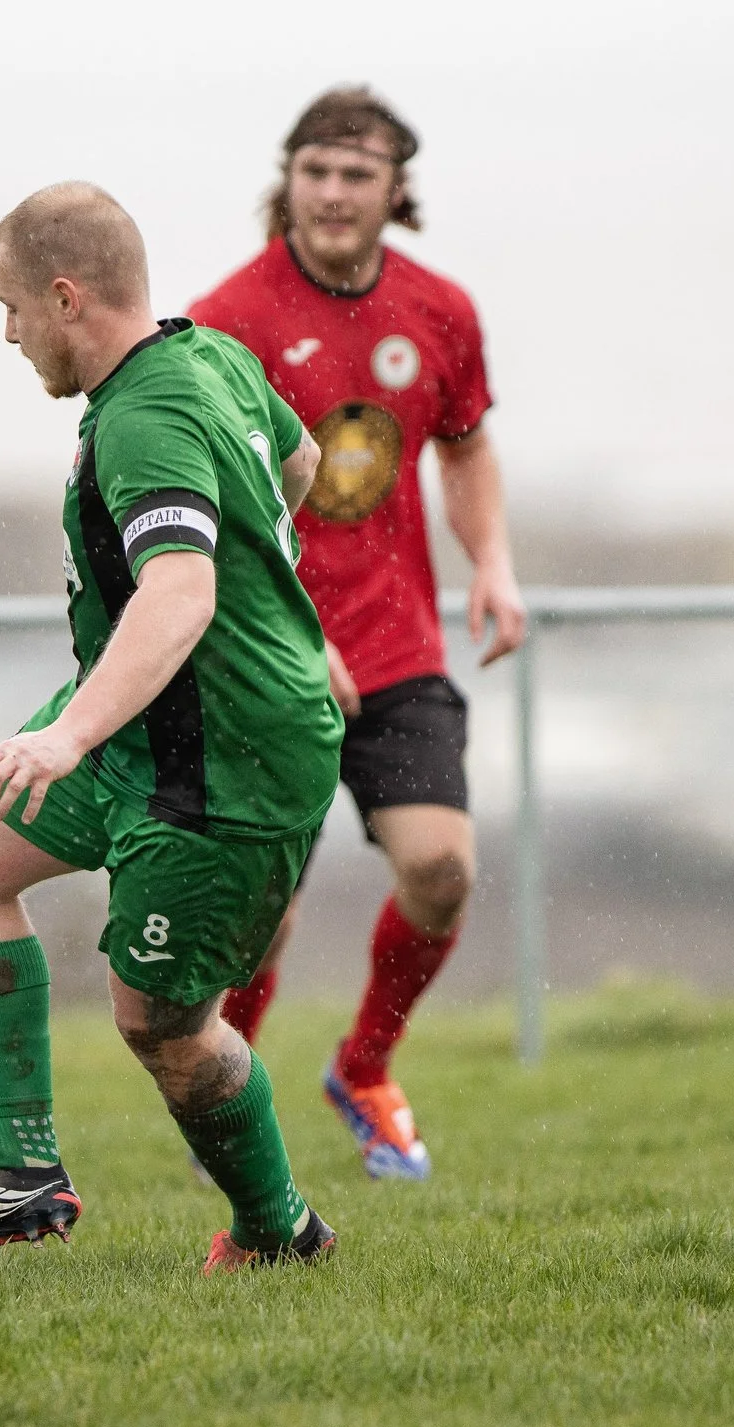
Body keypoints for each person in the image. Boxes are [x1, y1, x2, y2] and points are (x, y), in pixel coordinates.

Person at [0, 181, 342, 1274]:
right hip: (148, 722)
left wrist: (68, 736)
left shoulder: (141, 417)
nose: (6, 332)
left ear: (66, 295)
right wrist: (275, 609)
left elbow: (178, 593)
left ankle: (281, 1234)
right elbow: (301, 469)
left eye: (10, 306)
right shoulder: (213, 355)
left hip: (223, 759)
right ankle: (22, 1168)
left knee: (166, 1030)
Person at [188, 87, 528, 1183]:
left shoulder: (441, 311)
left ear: (395, 192)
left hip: (393, 652)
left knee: (442, 869)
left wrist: (492, 563)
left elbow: (465, 447)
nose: (332, 193)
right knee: (262, 924)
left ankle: (364, 1067)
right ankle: (223, 1105)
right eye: (315, 171)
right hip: (264, 658)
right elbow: (214, 504)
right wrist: (290, 632)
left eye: (356, 175)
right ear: (287, 182)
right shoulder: (223, 322)